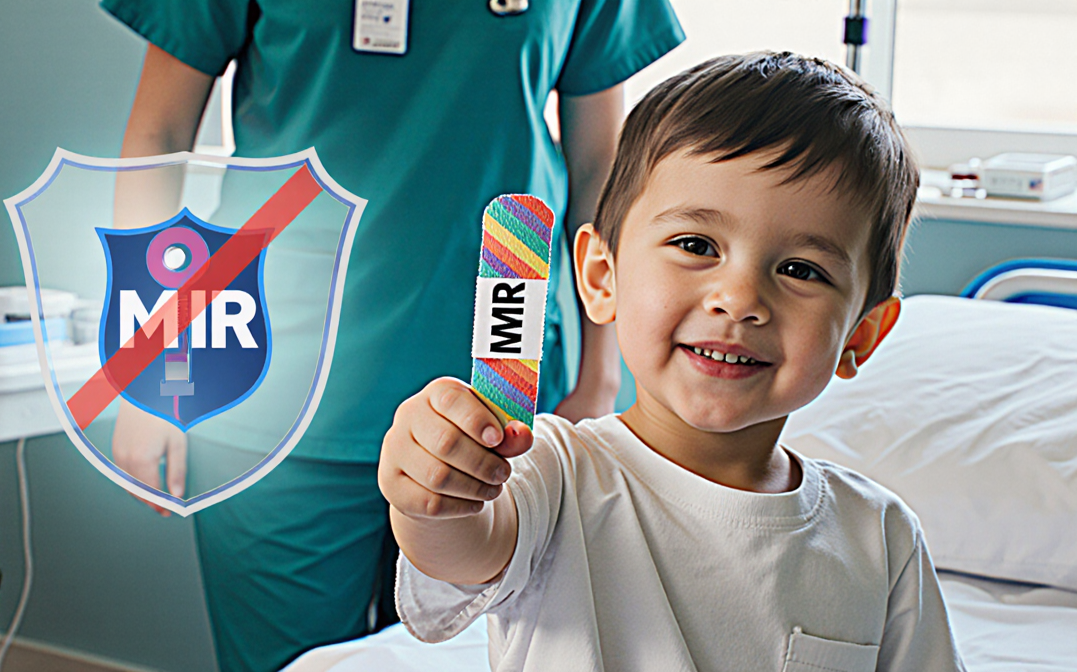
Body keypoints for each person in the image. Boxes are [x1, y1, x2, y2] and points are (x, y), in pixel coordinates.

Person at [99, 1, 685, 670]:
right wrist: (148, 370)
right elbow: (157, 136)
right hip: (276, 382)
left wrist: (600, 373)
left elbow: (599, 165)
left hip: (501, 388)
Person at [382, 52, 968, 671]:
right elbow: (462, 546)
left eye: (801, 270)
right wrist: (434, 495)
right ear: (603, 277)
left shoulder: (881, 539)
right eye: (696, 245)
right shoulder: (549, 473)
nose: (740, 300)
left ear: (861, 335)